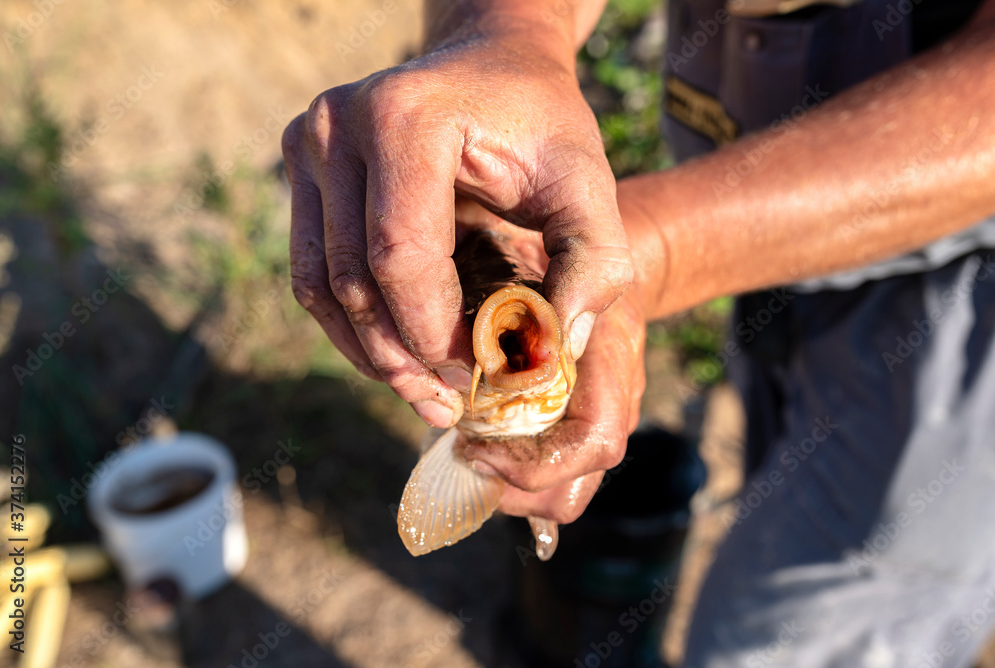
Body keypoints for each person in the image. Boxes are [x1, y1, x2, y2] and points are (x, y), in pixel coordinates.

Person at [282, 0, 995, 665]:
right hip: (767, 229)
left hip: (969, 304)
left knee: (778, 638)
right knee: (772, 465)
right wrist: (506, 32)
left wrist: (658, 247)